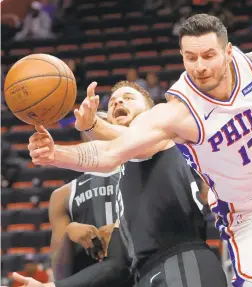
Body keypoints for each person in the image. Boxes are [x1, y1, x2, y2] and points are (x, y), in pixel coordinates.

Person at [27, 14, 252, 287]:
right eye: (190, 57)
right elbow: (114, 151)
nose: (200, 66)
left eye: (209, 55)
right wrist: (56, 154)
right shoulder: (177, 111)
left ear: (228, 51)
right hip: (248, 215)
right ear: (181, 56)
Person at [16, 81, 227, 287]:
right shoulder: (127, 169)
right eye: (112, 102)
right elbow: (116, 267)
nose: (117, 103)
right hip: (152, 272)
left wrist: (91, 125)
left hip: (182, 264)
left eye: (128, 98)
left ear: (150, 111)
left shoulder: (163, 136)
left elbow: (114, 147)